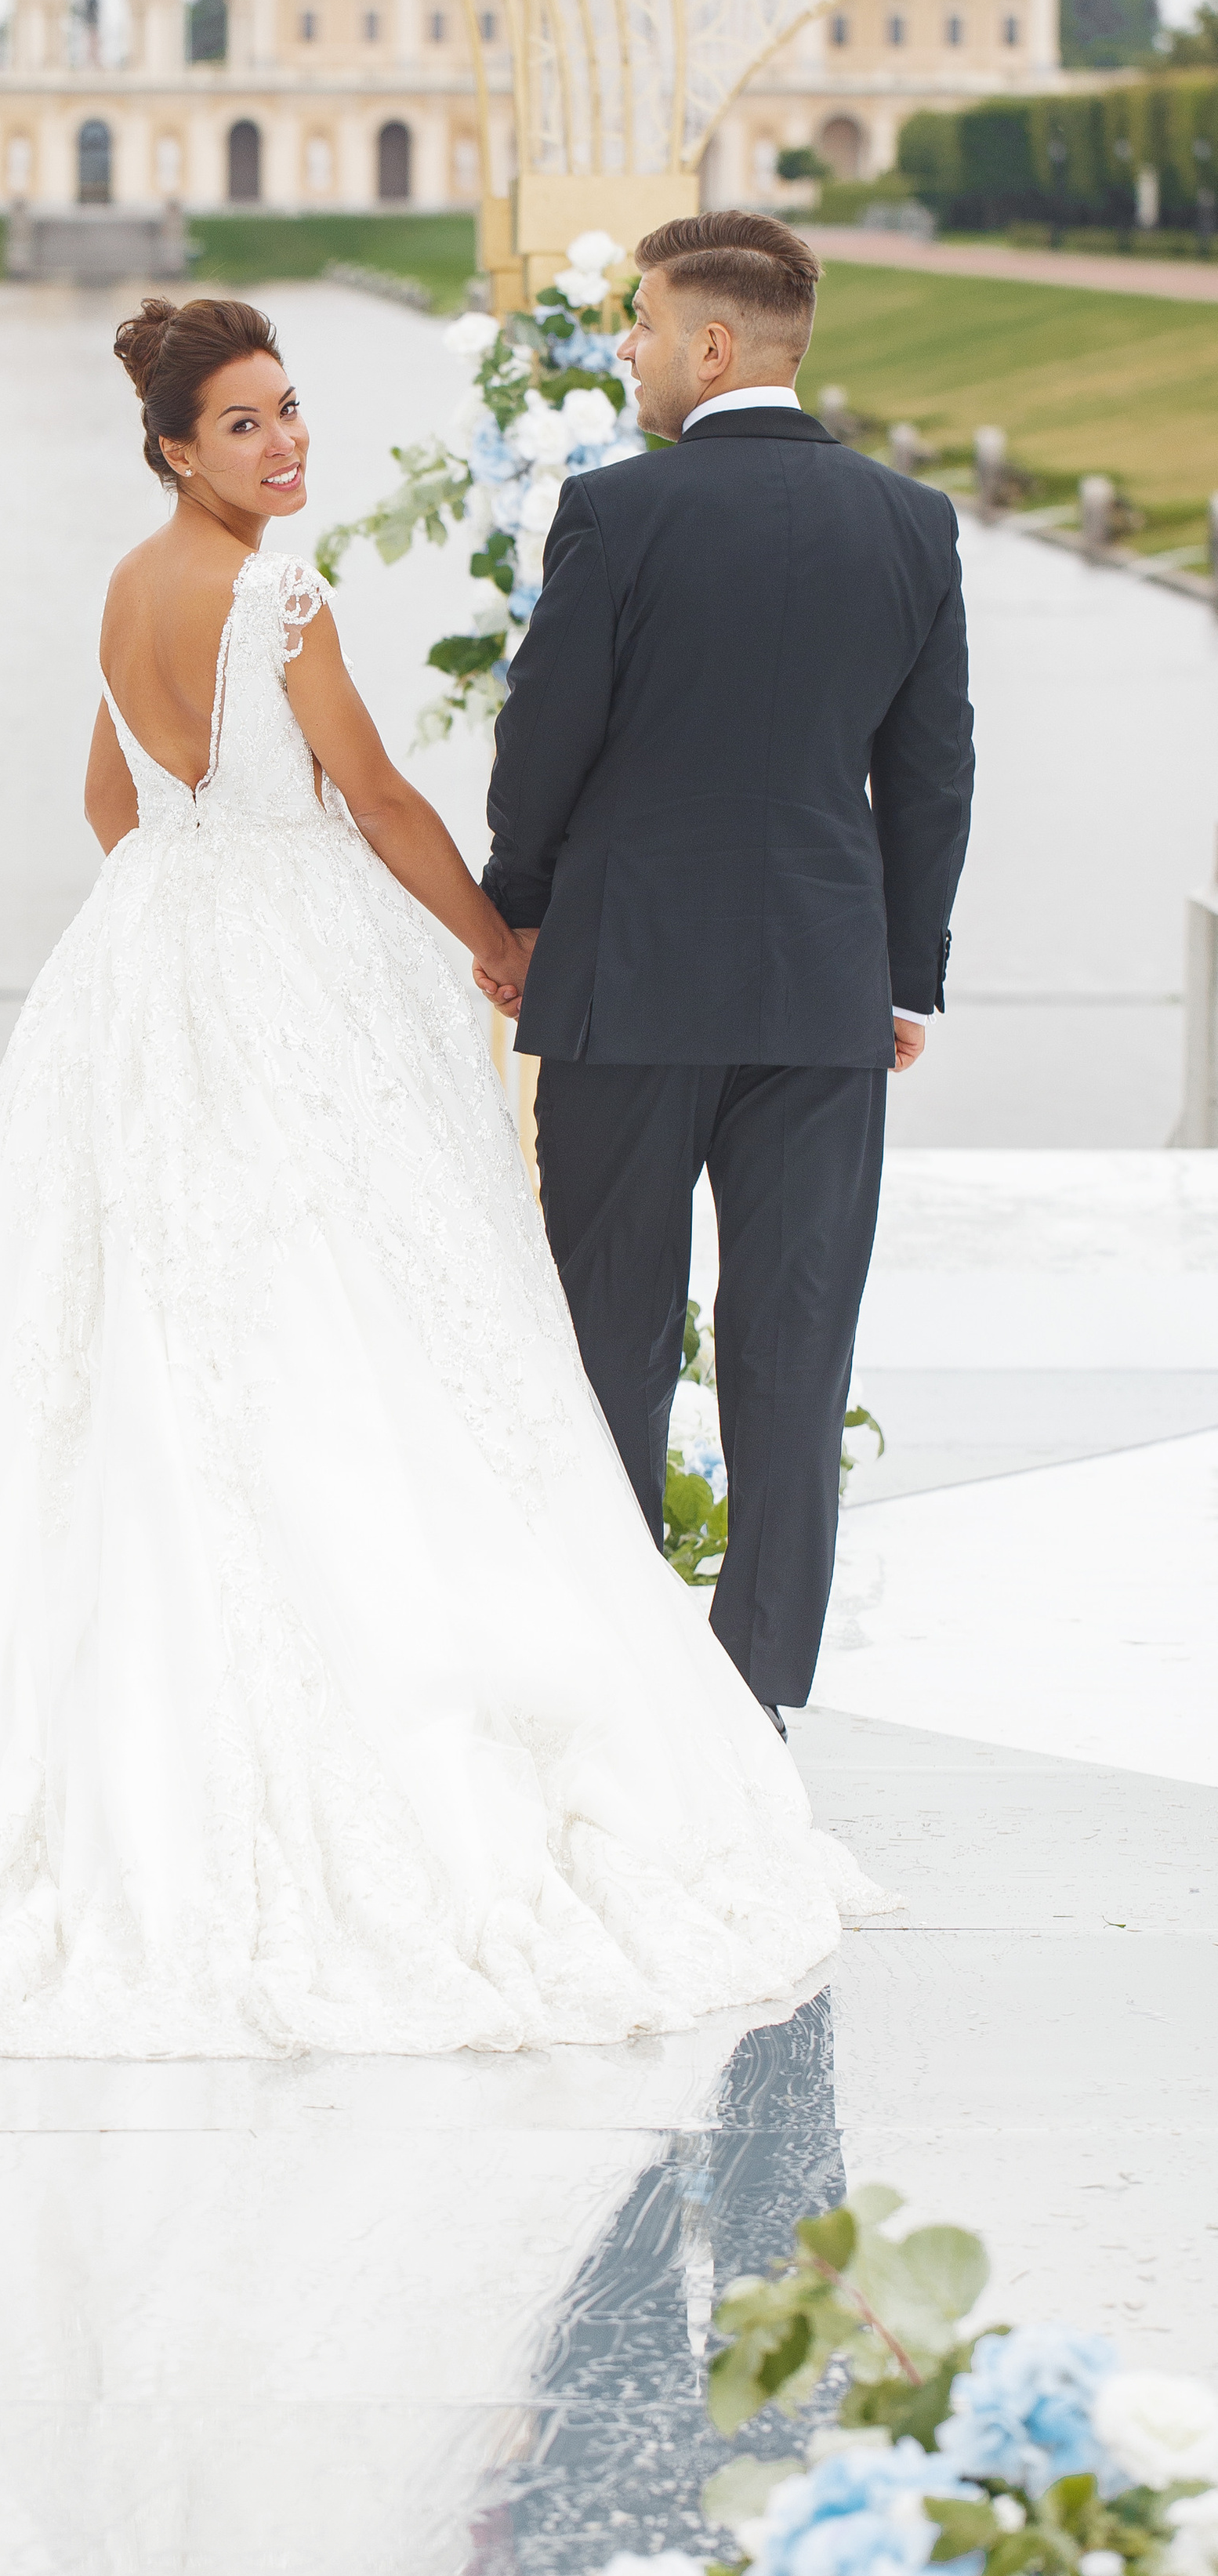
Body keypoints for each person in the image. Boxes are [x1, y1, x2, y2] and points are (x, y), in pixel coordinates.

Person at [0, 292, 879, 2061]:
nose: (285, 442)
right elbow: (375, 796)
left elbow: (112, 807)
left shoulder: (124, 587)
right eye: (242, 423)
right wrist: (494, 943)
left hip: (146, 955)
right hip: (287, 955)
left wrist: (198, 878)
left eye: (290, 408)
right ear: (174, 447)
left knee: (141, 1302)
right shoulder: (276, 594)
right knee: (349, 1287)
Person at [478, 210, 973, 1731]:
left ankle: (619, 1679)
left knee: (606, 1344)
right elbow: (932, 774)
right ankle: (753, 1702)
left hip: (624, 987)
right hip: (822, 995)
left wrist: (516, 912)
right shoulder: (911, 523)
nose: (626, 350)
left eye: (639, 324)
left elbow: (542, 742)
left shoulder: (614, 514)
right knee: (793, 1354)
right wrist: (900, 978)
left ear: (708, 344)